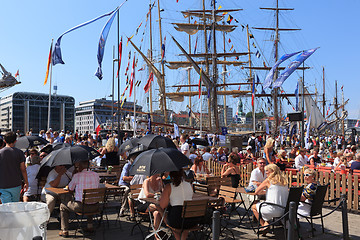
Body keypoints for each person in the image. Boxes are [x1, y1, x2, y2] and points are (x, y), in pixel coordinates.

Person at [59, 161, 100, 237]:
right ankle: (90, 225)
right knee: (89, 199)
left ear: (80, 167)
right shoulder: (96, 175)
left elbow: (70, 189)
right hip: (95, 207)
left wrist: (75, 175)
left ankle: (64, 230)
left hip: (81, 207)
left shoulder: (77, 176)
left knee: (62, 206)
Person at [154, 169, 195, 240]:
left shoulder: (169, 186)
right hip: (190, 220)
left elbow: (163, 205)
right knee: (183, 223)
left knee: (160, 209)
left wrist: (166, 197)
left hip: (176, 220)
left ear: (171, 175)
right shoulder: (189, 185)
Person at [252, 164, 289, 235]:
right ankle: (266, 223)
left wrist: (264, 191)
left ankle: (264, 225)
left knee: (254, 207)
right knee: (265, 206)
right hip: (284, 210)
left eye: (267, 171)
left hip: (272, 209)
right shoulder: (284, 180)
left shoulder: (268, 180)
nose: (266, 173)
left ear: (272, 171)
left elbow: (257, 191)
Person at [0, 132, 28, 203]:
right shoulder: (19, 152)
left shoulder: (0, 153)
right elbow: (23, 169)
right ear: (15, 141)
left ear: (4, 141)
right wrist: (26, 182)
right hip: (16, 184)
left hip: (3, 185)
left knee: (6, 207)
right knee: (15, 205)